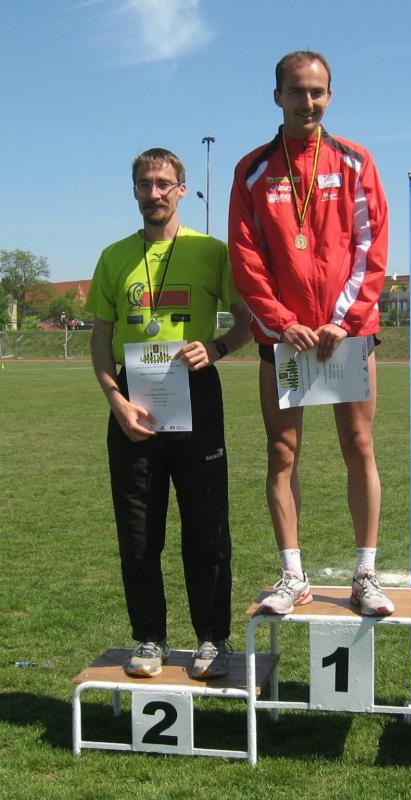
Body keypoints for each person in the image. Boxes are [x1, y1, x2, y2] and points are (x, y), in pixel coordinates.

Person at [228, 50, 394, 616]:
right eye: (297, 91)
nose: (308, 102)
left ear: (330, 95)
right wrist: (282, 322)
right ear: (277, 96)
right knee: (282, 452)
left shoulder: (355, 161)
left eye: (317, 91)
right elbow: (246, 255)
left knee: (359, 445)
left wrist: (342, 320)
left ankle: (365, 574)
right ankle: (293, 576)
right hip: (287, 339)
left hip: (347, 333)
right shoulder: (253, 170)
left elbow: (372, 244)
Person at [87, 147, 251, 679]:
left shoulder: (212, 251)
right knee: (138, 533)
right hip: (133, 401)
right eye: (144, 184)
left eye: (163, 183)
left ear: (182, 189)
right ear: (134, 191)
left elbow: (247, 320)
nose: (153, 193)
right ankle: (149, 638)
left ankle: (212, 639)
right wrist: (114, 398)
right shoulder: (114, 257)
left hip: (195, 391)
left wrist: (217, 348)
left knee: (206, 527)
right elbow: (101, 337)